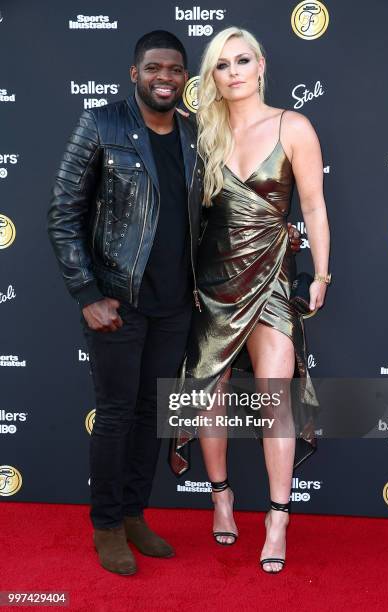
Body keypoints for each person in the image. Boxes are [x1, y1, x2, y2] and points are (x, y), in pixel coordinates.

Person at [48, 29, 300, 576]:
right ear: (134, 73)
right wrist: (87, 294)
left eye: (175, 69)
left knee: (151, 417)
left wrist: (281, 240)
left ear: (186, 79)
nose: (165, 77)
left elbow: (212, 218)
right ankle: (108, 525)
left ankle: (136, 514)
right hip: (118, 301)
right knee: (116, 416)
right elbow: (63, 213)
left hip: (176, 307)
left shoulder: (192, 135)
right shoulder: (101, 124)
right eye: (154, 68)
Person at [172, 27, 330, 574]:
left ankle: (279, 518)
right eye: (222, 64)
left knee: (274, 400)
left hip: (272, 281)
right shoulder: (204, 135)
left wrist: (322, 275)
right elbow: (192, 218)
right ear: (212, 77)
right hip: (213, 284)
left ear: (260, 65)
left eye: (243, 60)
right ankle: (221, 498)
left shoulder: (294, 126)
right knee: (209, 396)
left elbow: (313, 207)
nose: (234, 70)